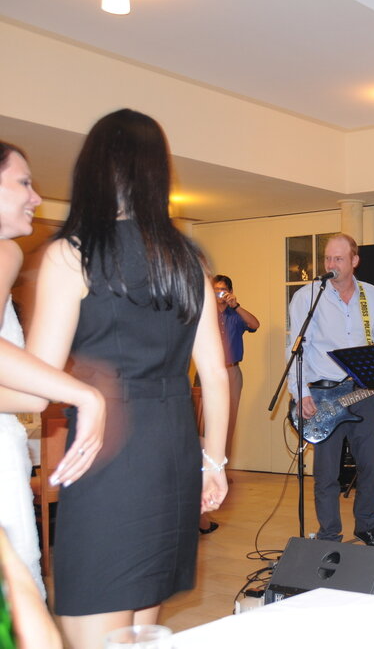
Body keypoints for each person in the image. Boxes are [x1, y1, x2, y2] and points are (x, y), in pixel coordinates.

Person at [27, 109, 230, 649]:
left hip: (109, 454)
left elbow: (37, 379)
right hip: (172, 451)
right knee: (139, 628)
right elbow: (214, 374)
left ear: (93, 168)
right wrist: (213, 463)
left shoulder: (72, 255)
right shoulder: (188, 261)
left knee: (96, 622)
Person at [0, 141, 106, 599]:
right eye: (23, 182)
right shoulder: (4, 252)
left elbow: (30, 396)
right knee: (17, 601)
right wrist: (85, 394)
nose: (36, 197)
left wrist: (41, 392)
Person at [287, 234, 374, 547]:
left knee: (372, 462)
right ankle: (329, 534)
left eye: (338, 258)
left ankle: (367, 525)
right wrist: (300, 393)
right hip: (322, 393)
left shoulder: (371, 296)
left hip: (362, 391)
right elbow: (296, 348)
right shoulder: (308, 297)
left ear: (354, 261)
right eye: (327, 258)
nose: (331, 264)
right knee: (327, 473)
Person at [198, 275, 259, 535]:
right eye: (215, 290)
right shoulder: (205, 314)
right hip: (207, 373)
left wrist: (236, 305)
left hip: (232, 372)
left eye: (223, 290)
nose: (219, 295)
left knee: (228, 423)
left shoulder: (235, 315)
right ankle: (203, 471)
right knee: (203, 425)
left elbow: (255, 324)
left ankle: (220, 469)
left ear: (230, 291)